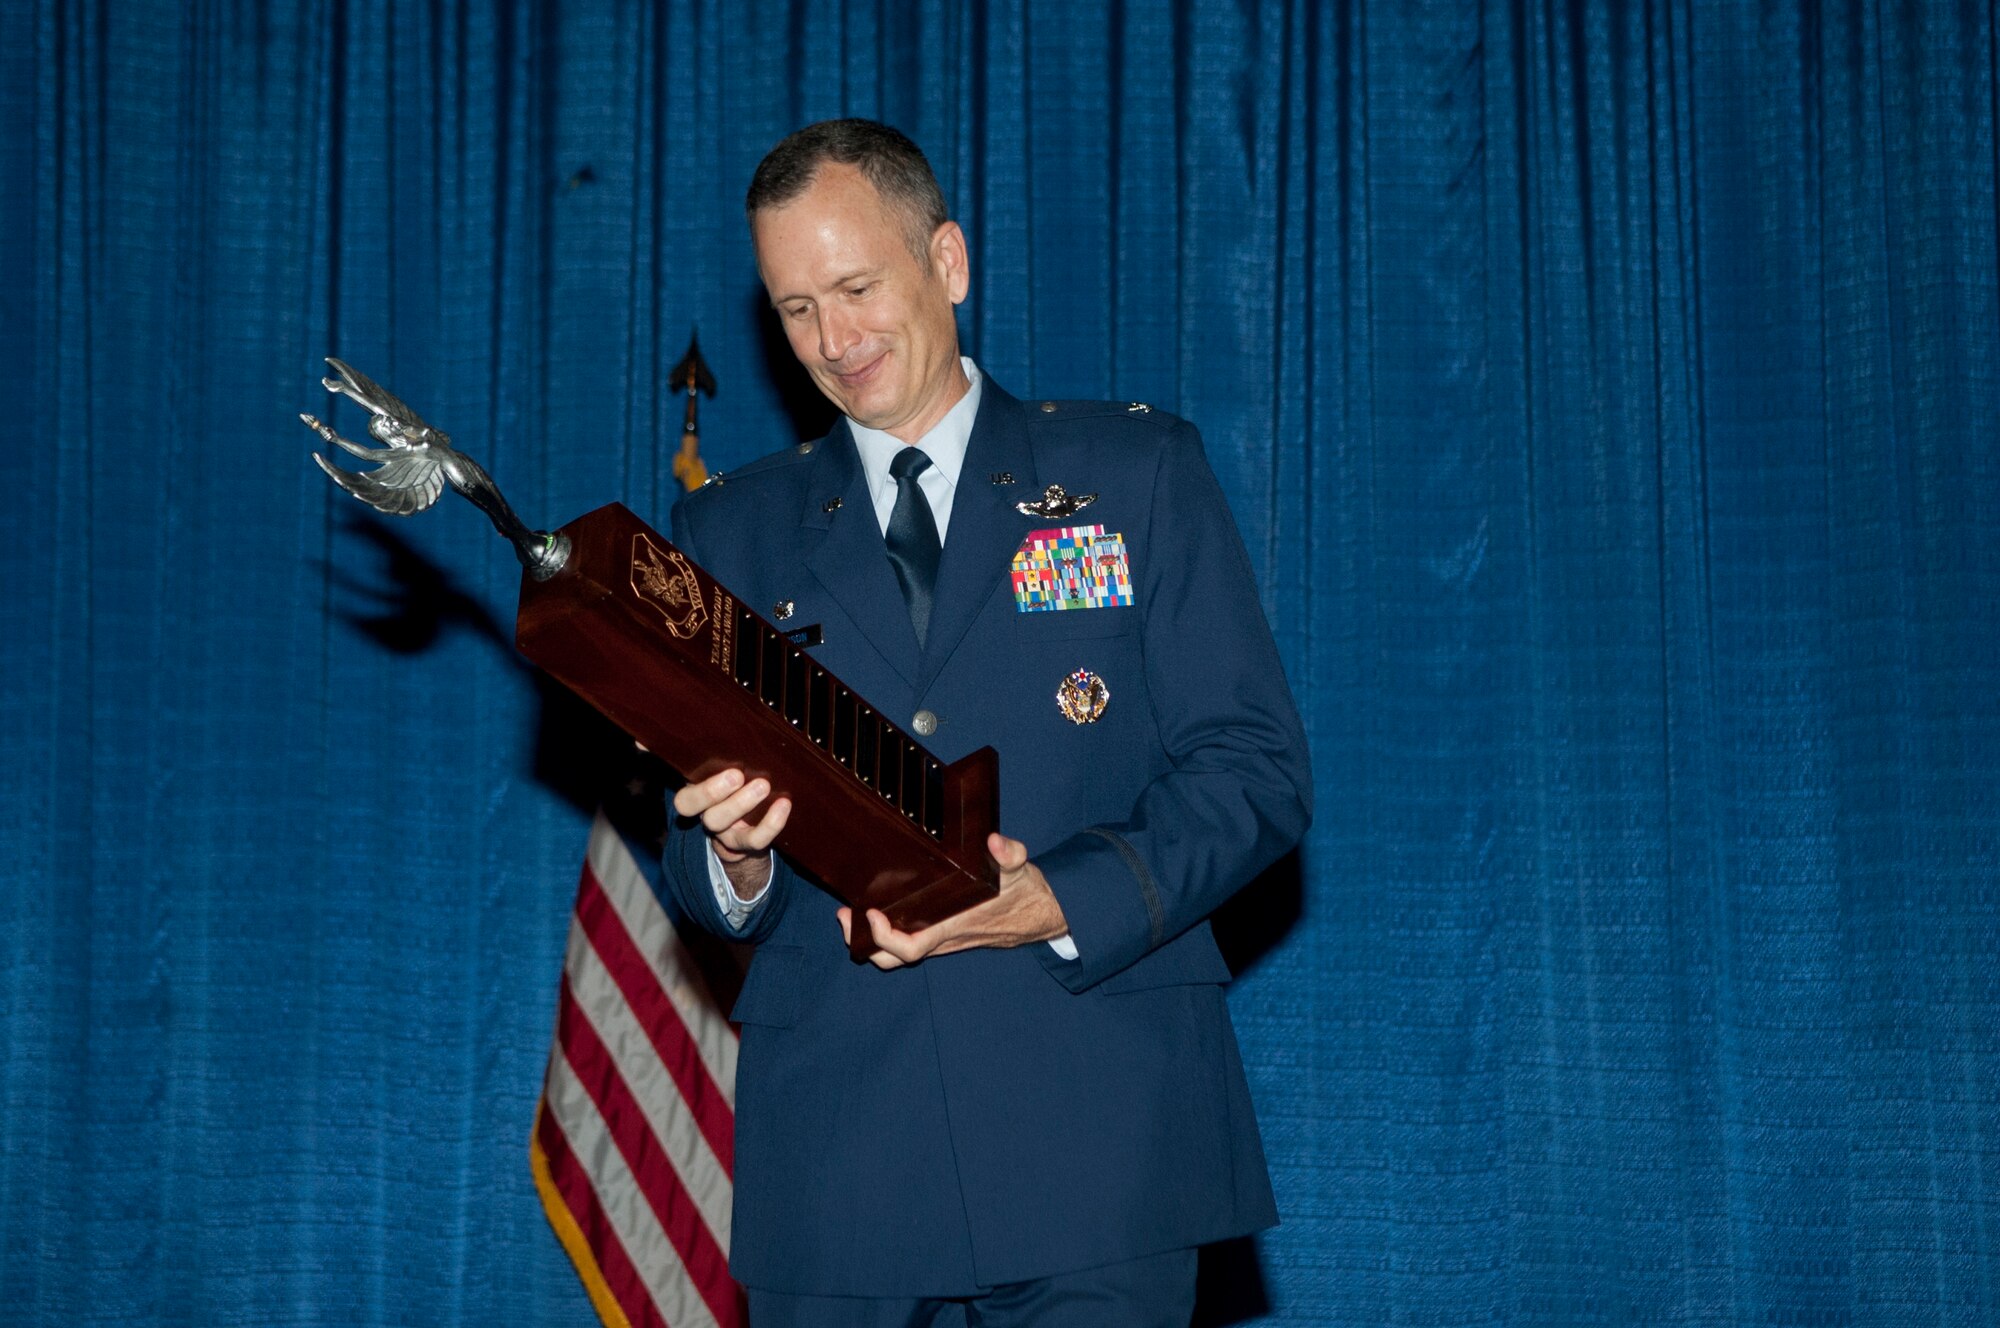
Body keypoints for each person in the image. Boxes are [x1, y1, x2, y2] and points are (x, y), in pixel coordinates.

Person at [657, 118, 1311, 1327]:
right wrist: (732, 855)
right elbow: (693, 864)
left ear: (945, 261)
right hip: (840, 1166)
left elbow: (1253, 769)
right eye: (795, 309)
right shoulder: (725, 538)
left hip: (1099, 1139)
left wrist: (1060, 895)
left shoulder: (1135, 472)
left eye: (856, 288)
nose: (833, 342)